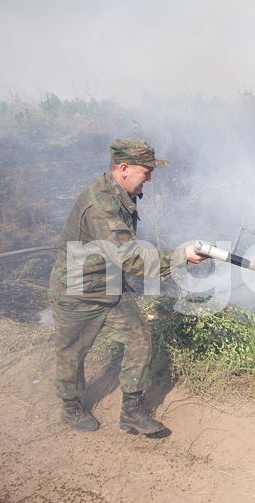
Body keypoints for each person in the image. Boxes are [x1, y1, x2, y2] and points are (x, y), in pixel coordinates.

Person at [48, 138, 205, 438]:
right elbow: (132, 259)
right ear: (123, 168)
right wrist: (181, 257)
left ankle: (132, 414)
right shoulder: (100, 206)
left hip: (106, 285)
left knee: (139, 338)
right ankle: (70, 406)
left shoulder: (120, 193)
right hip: (76, 291)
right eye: (146, 171)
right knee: (72, 353)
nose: (150, 177)